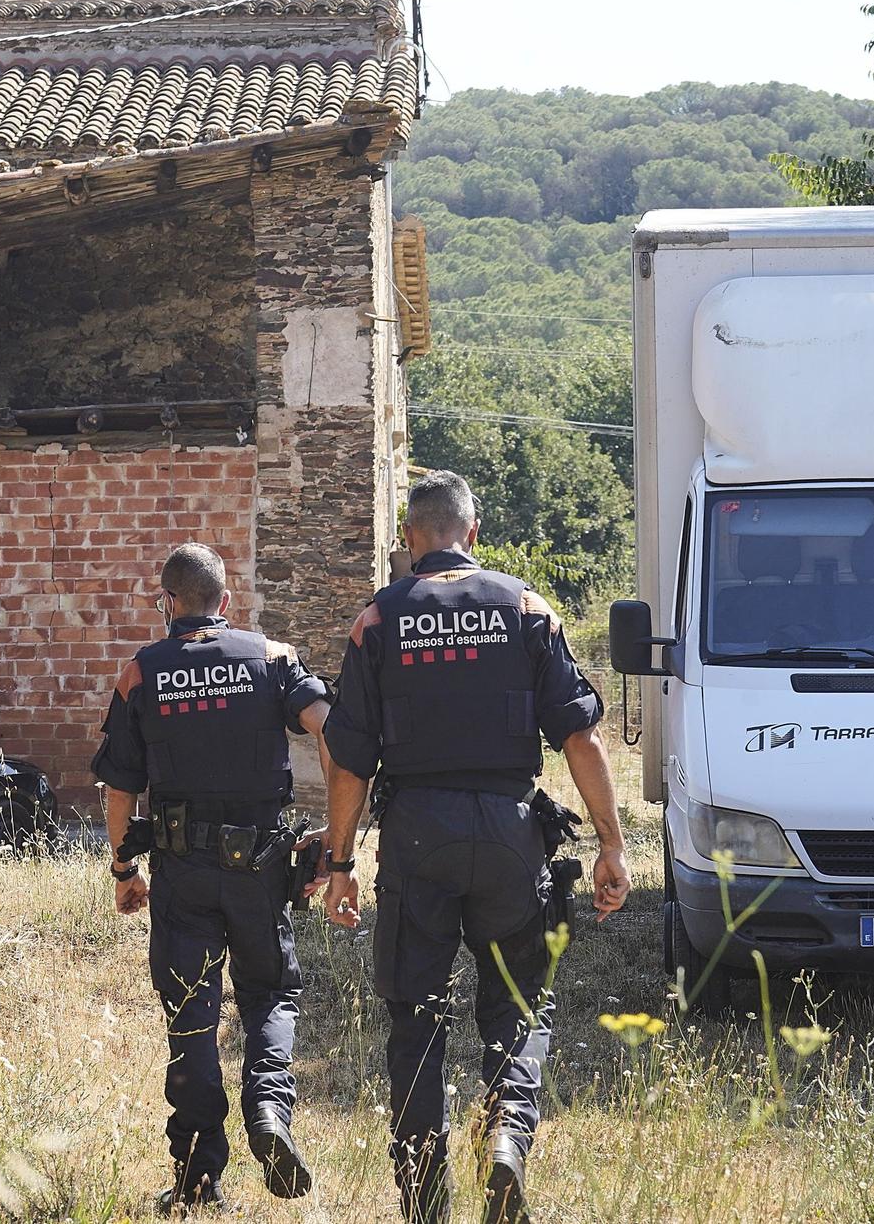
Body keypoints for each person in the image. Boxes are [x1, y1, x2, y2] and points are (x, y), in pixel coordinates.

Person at [321, 471, 632, 1224]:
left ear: (407, 539)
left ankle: (425, 1202)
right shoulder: (528, 607)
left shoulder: (378, 619)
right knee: (519, 1009)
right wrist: (611, 844)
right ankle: (504, 1146)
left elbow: (349, 756)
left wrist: (338, 864)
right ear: (476, 532)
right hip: (509, 832)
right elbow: (581, 737)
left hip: (417, 835)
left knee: (416, 1018)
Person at [94, 542, 332, 1215]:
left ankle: (198, 1179)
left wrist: (123, 867)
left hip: (182, 873)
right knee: (270, 996)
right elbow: (332, 729)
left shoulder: (142, 673)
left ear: (167, 603)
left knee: (192, 1019)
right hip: (261, 869)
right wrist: (336, 841)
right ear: (225, 603)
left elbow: (120, 786)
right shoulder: (273, 658)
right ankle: (269, 1113)